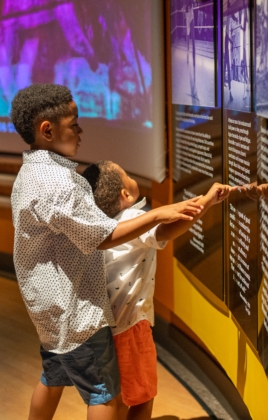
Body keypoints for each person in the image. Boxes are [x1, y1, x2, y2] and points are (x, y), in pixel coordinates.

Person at [10, 83, 203, 420]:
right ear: (47, 130)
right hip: (76, 315)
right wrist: (158, 214)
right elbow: (102, 235)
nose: (80, 132)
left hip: (48, 312)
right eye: (74, 124)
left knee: (51, 378)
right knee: (104, 395)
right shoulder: (59, 182)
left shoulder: (29, 174)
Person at [82, 160, 233, 420]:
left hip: (100, 328)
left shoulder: (97, 225)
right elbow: (166, 229)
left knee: (112, 398)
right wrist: (207, 201)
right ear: (125, 195)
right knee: (143, 396)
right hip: (131, 325)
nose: (131, 176)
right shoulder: (133, 219)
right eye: (127, 174)